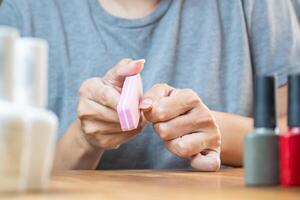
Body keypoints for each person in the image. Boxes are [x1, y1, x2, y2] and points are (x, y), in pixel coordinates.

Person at [0, 0, 299, 171]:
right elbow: (13, 178)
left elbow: (294, 134)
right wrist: (84, 140)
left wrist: (217, 131)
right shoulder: (20, 11)